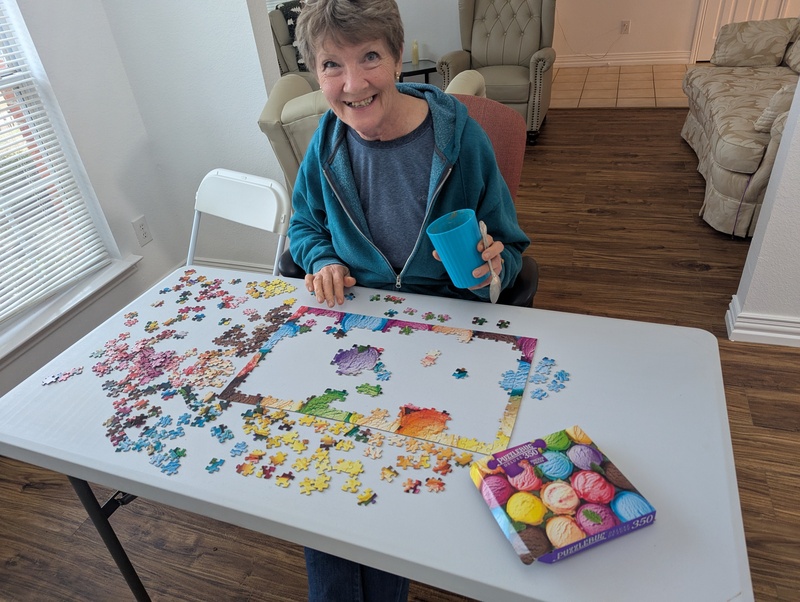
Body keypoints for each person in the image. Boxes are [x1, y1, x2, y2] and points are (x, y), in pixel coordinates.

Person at [288, 0, 530, 599]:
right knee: (331, 479)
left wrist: (489, 272)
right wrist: (321, 258)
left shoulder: (460, 141)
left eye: (369, 57)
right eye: (331, 66)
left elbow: (513, 249)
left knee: (397, 478)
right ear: (315, 76)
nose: (353, 83)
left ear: (398, 57)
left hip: (445, 334)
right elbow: (302, 228)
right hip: (357, 331)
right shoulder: (324, 146)